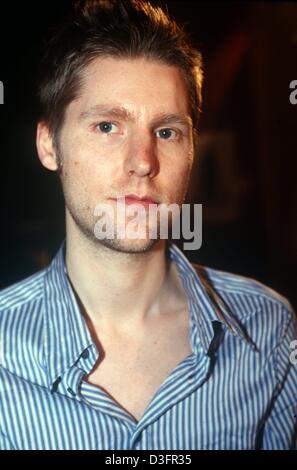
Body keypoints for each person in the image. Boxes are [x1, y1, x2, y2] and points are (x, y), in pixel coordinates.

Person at [0, 0, 296, 450]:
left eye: (166, 132)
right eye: (106, 126)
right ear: (48, 144)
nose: (142, 162)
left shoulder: (269, 329)